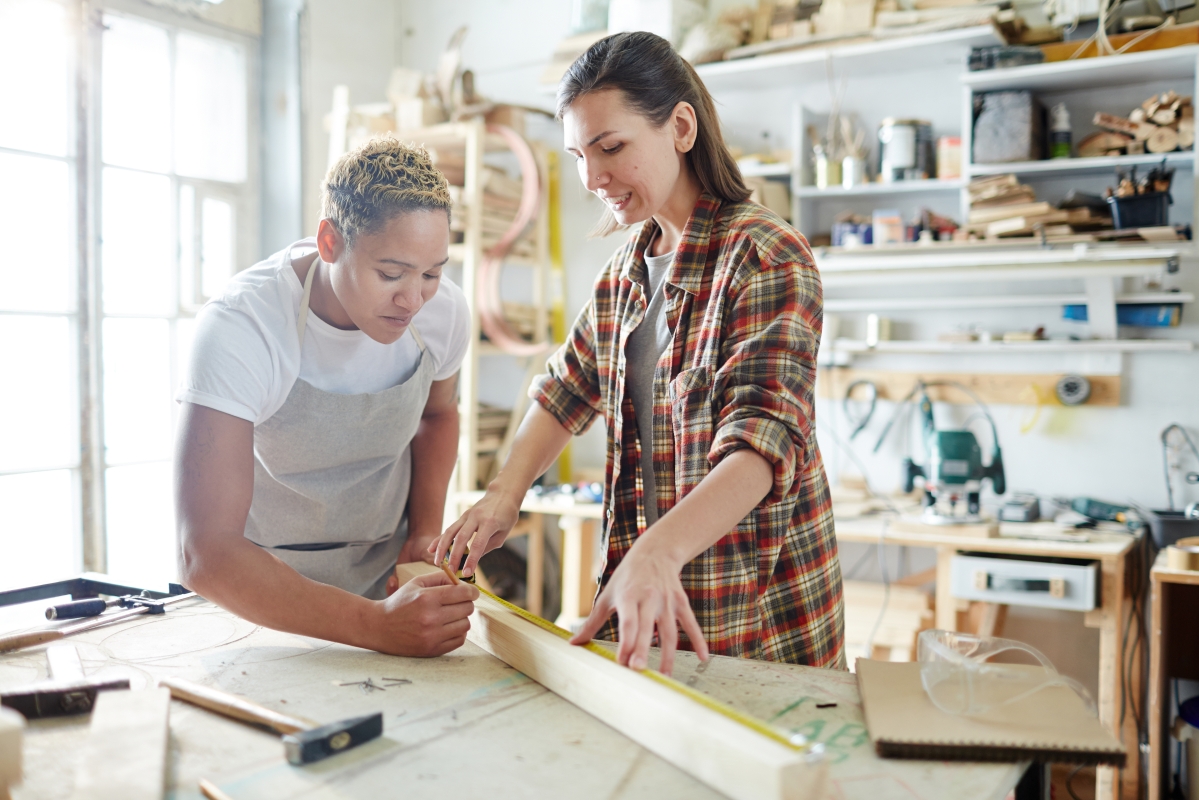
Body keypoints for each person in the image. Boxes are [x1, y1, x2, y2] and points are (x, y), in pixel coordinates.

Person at [431, 32, 844, 675]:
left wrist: (657, 552)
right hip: (652, 615)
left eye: (611, 147)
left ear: (681, 126)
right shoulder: (623, 274)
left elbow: (761, 445)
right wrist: (503, 495)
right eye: (578, 154)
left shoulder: (765, 255)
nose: (592, 178)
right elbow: (564, 392)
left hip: (759, 626)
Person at [175, 138, 478, 657]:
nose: (413, 299)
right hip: (259, 596)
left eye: (431, 273)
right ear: (330, 243)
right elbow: (205, 552)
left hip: (385, 583)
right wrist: (374, 627)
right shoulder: (242, 327)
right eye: (390, 273)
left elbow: (438, 415)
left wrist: (424, 529)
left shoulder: (443, 313)